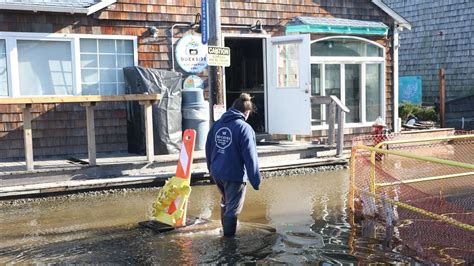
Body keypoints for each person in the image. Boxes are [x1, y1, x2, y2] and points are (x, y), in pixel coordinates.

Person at [205, 93, 261, 237]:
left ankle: (224, 231)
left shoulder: (217, 124)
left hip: (217, 171)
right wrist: (255, 180)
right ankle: (229, 243)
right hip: (234, 175)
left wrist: (210, 168)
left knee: (225, 201)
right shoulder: (244, 128)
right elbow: (250, 156)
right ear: (246, 112)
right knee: (233, 209)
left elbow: (208, 147)